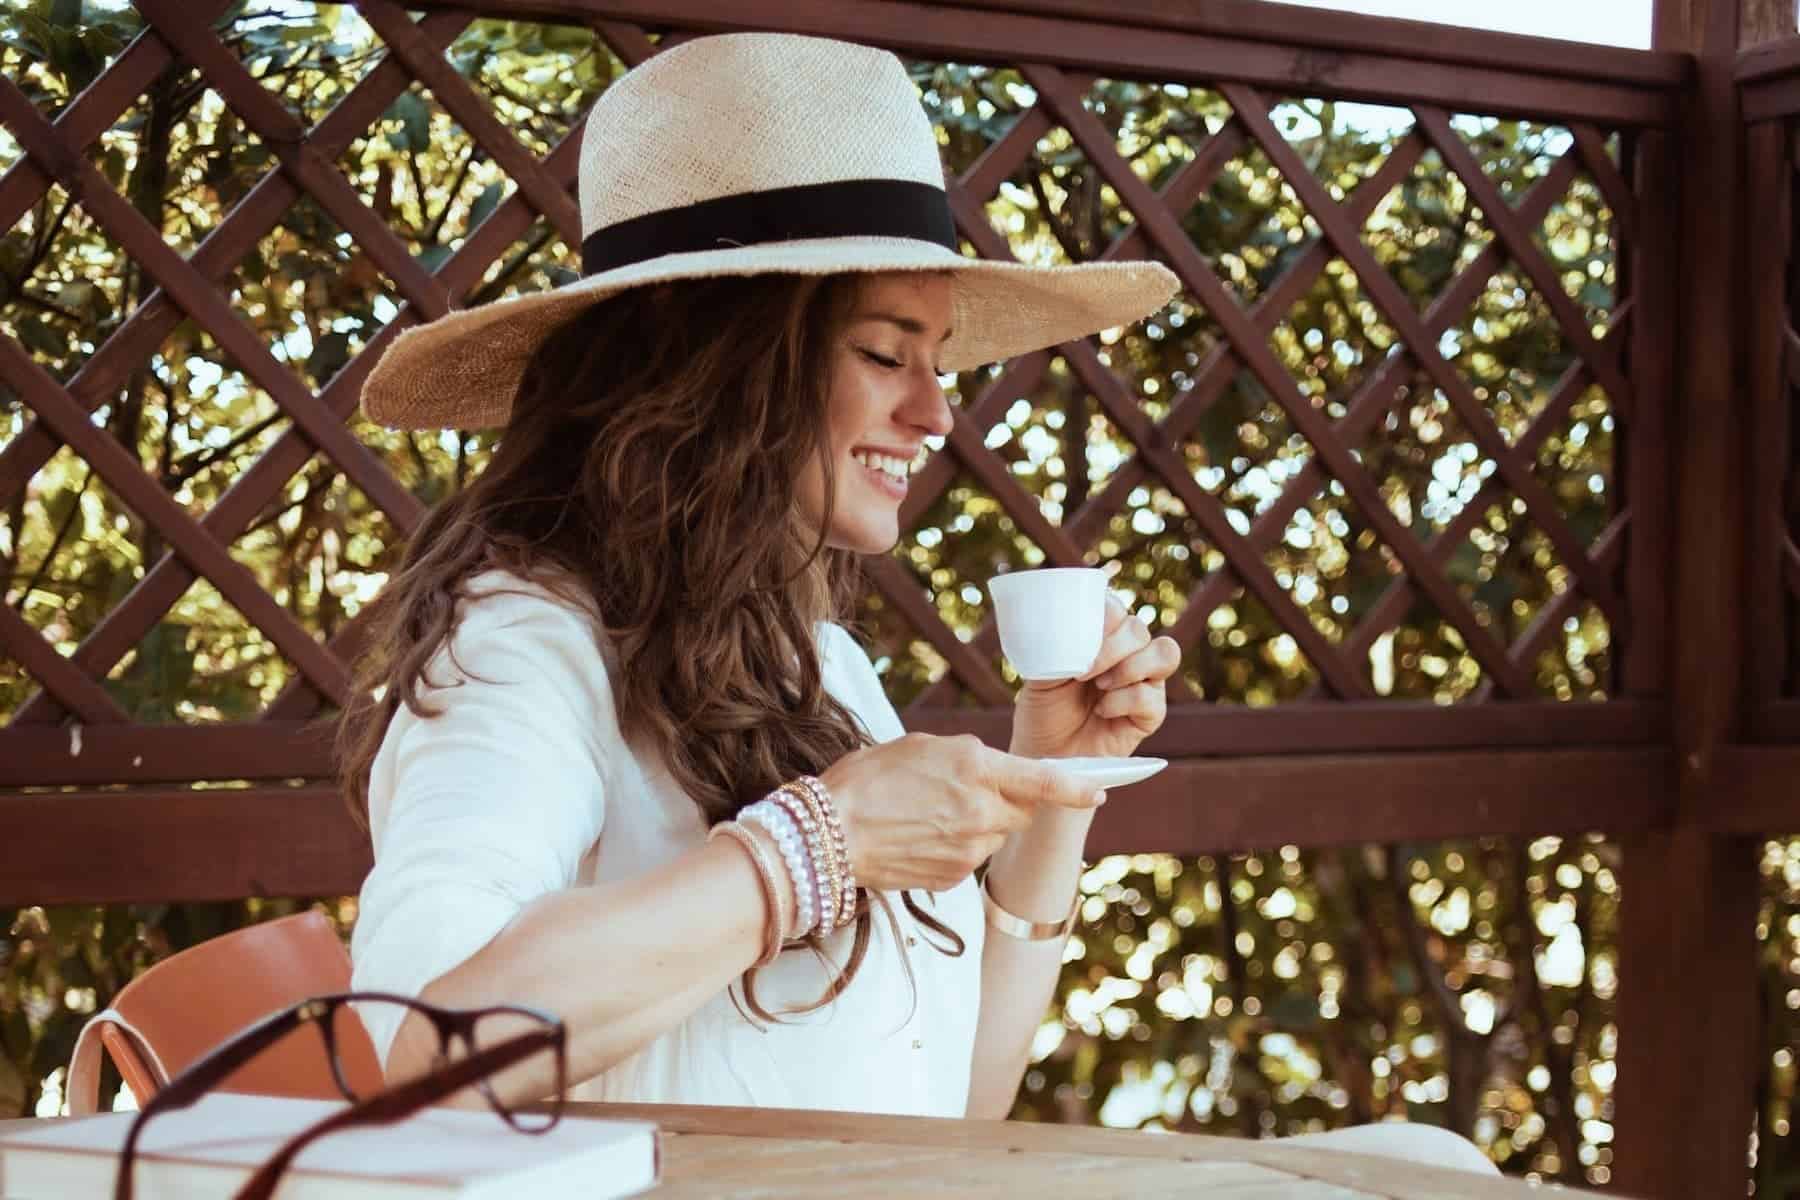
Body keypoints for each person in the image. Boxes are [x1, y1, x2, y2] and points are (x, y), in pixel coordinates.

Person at [342, 30, 1495, 1176]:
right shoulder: (523, 642)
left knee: (1428, 1157)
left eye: (939, 360)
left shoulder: (814, 663)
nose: (938, 413)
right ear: (716, 365)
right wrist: (812, 850)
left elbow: (952, 1103)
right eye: (889, 356)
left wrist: (1055, 788)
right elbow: (417, 1053)